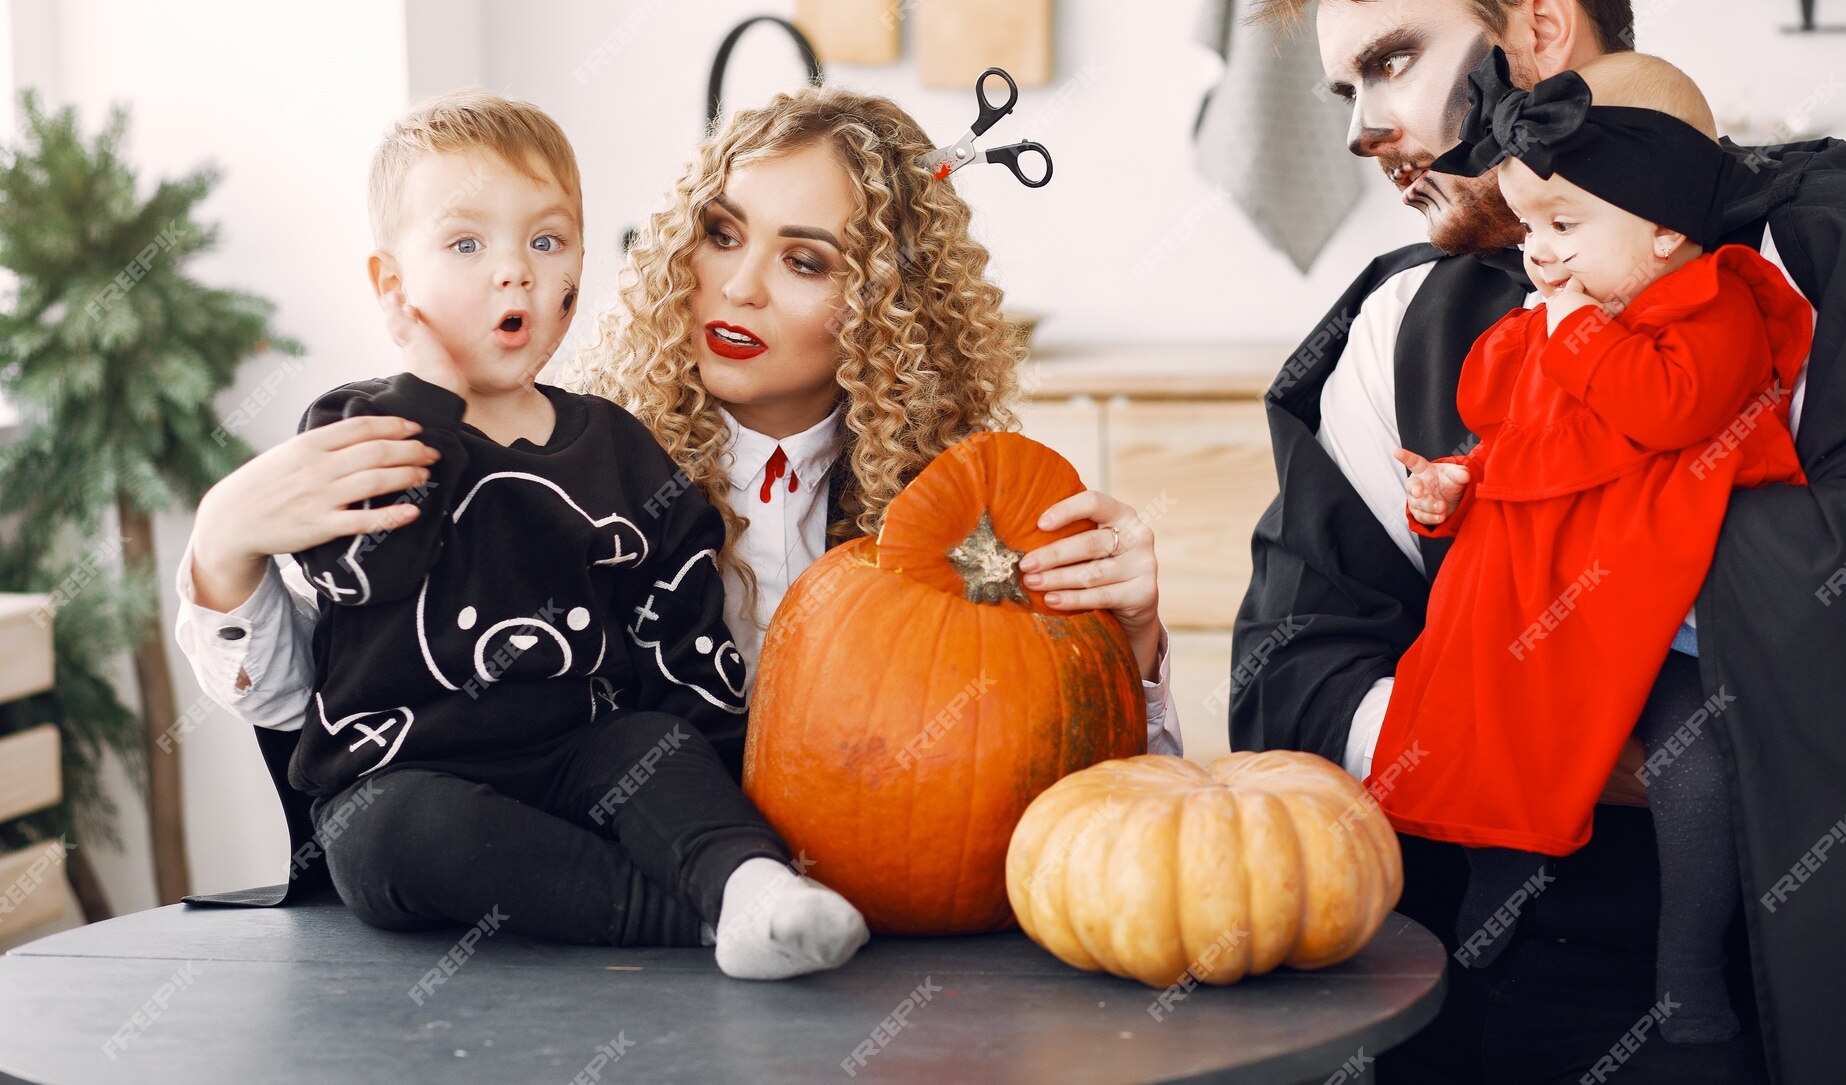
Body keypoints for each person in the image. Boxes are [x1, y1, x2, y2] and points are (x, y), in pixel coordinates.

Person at [1233, 0, 1846, 1083]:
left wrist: (1570, 669)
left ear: (1536, 33)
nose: (1365, 129)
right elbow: (1290, 669)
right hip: (1473, 1002)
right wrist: (1511, 732)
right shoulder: (1393, 327)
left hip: (1765, 998)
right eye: (1346, 91)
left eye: (1390, 61)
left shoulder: (1810, 260)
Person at [174, 85, 1183, 926]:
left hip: (896, 958)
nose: (734, 287)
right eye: (719, 233)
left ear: (887, 302)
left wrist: (1127, 645)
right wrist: (223, 549)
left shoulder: (963, 515)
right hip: (590, 956)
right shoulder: (575, 458)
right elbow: (327, 685)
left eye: (804, 259)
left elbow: (1087, 796)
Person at [273, 89, 870, 976]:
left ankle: (749, 886)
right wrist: (434, 391)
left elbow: (681, 631)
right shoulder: (359, 425)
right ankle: (689, 921)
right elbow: (369, 569)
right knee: (388, 835)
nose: (512, 271)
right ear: (393, 285)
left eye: (544, 242)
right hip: (414, 780)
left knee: (650, 747)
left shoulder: (619, 445)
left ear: (580, 268)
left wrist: (714, 782)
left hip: (580, 760)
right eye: (467, 245)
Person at [1381, 48, 1813, 1045]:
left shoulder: (1709, 310)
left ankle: (1686, 964)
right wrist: (1453, 482)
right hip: (1542, 591)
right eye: (1529, 226)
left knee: (1691, 757)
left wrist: (1571, 332)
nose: (1536, 253)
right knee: (1461, 696)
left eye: (1563, 226)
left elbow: (1665, 410)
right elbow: (1519, 442)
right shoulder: (1559, 319)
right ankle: (1499, 871)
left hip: (1661, 607)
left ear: (1665, 228)